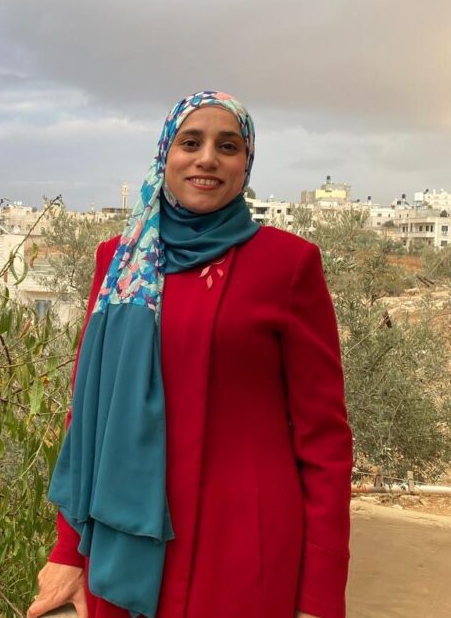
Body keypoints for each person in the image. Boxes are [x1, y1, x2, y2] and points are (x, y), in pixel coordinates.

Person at [27, 91, 353, 618]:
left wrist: (320, 594)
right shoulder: (118, 263)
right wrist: (68, 550)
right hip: (119, 541)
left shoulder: (288, 265)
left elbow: (325, 441)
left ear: (246, 163)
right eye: (191, 142)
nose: (207, 159)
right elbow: (88, 415)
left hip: (245, 549)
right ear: (165, 155)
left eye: (228, 146)